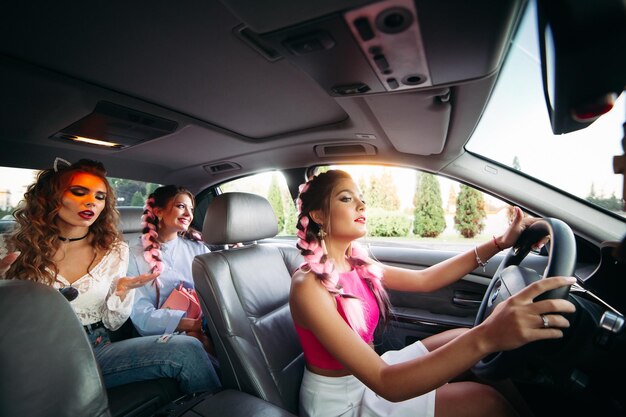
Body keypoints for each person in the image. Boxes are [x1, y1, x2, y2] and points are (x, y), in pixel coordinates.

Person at [289, 169, 577, 417]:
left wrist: (499, 243)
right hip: (343, 403)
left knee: (462, 338)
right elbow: (385, 382)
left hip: (369, 375)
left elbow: (426, 280)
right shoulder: (308, 286)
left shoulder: (358, 265)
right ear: (317, 215)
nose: (362, 204)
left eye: (361, 197)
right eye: (346, 198)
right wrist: (489, 334)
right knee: (484, 401)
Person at [0, 158, 220, 395]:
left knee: (187, 349)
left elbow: (113, 323)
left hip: (97, 351)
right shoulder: (10, 249)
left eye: (99, 196)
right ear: (50, 197)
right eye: (79, 192)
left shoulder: (114, 251)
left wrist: (121, 292)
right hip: (33, 354)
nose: (91, 202)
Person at [127, 185, 215, 357]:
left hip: (203, 327)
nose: (189, 215)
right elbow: (140, 313)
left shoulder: (199, 249)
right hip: (161, 333)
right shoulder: (133, 255)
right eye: (181, 206)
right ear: (159, 211)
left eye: (191, 209)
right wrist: (187, 325)